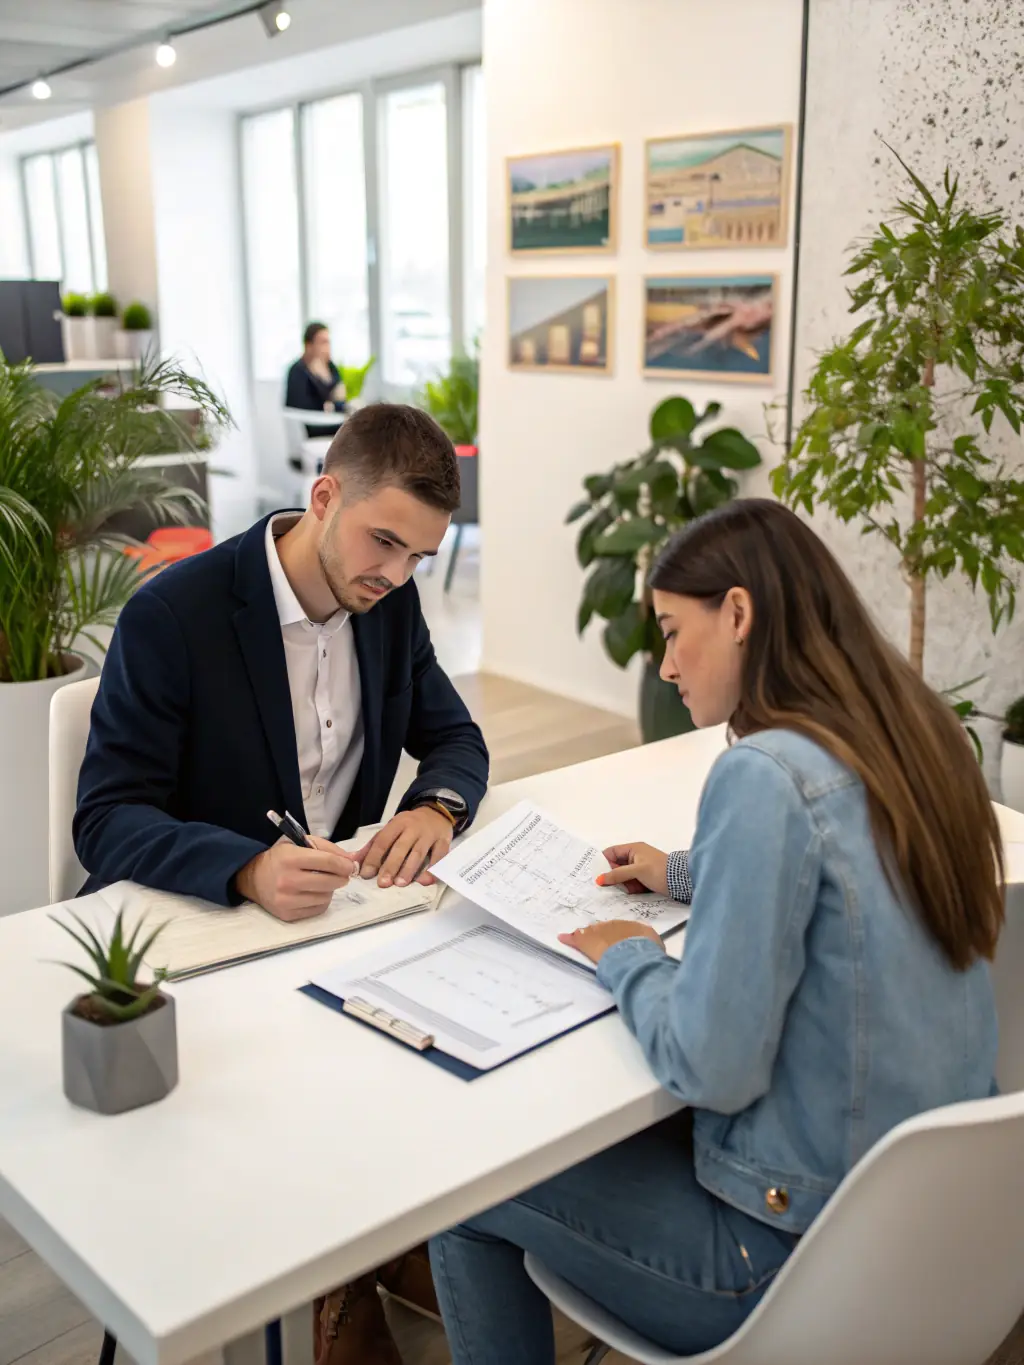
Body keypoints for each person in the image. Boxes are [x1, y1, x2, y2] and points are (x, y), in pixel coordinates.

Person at [428, 498, 1004, 1364]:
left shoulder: (763, 774)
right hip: (937, 1242)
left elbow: (710, 1065)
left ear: (737, 613)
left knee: (462, 1189)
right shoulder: (920, 738)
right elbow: (844, 868)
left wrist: (627, 954)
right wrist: (686, 872)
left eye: (670, 629)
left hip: (788, 1261)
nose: (663, 665)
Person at [75, 403, 490, 1365]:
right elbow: (105, 817)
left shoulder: (389, 607)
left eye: (419, 557)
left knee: (453, 1046)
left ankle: (368, 1252)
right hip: (203, 945)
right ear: (323, 495)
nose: (393, 574)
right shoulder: (173, 613)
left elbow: (456, 738)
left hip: (331, 931)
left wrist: (435, 807)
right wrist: (244, 866)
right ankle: (340, 1270)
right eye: (383, 540)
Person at [286, 322, 346, 437]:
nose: (327, 347)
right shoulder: (297, 371)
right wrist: (321, 380)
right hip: (312, 428)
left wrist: (331, 404)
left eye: (328, 342)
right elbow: (301, 405)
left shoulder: (331, 367)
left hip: (334, 423)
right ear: (308, 346)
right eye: (323, 342)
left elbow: (341, 396)